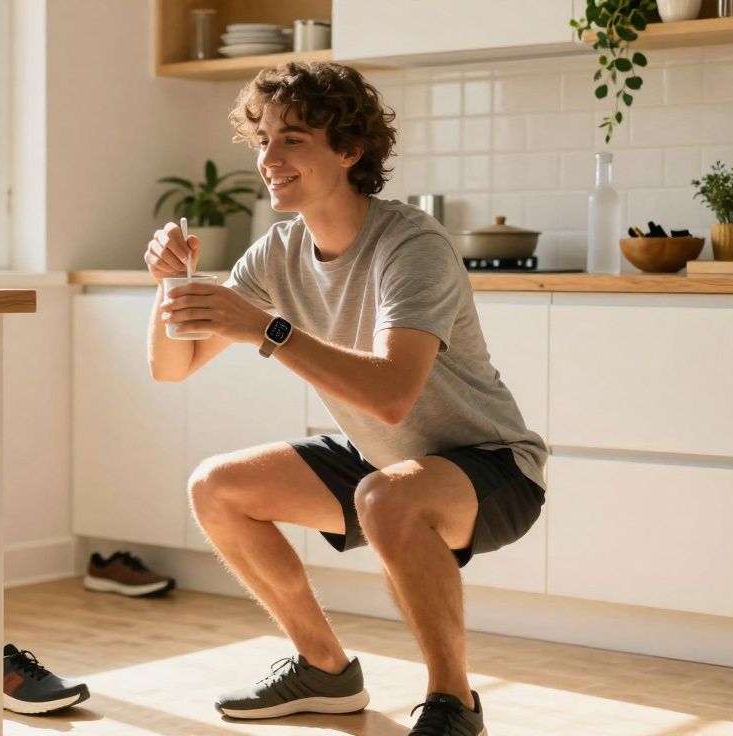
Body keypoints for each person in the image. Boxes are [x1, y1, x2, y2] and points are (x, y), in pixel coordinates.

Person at [144, 61, 547, 735]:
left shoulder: (410, 244)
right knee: (215, 488)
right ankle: (323, 668)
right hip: (381, 460)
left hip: (491, 464)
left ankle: (454, 703)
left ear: (350, 149)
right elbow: (173, 367)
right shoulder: (276, 253)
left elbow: (392, 394)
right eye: (264, 138)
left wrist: (267, 329)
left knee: (385, 497)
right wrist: (168, 283)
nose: (269, 157)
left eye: (294, 138)